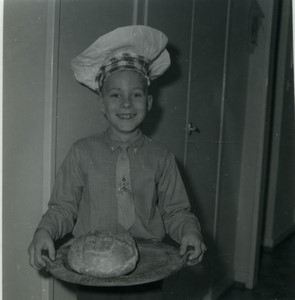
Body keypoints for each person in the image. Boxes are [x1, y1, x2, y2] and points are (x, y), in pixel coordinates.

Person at [28, 25, 206, 299]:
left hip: (147, 270)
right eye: (115, 95)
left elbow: (176, 211)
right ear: (102, 103)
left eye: (135, 95)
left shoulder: (162, 157)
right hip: (92, 273)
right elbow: (63, 207)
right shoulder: (81, 152)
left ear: (148, 101)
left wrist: (190, 233)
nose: (126, 103)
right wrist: (44, 231)